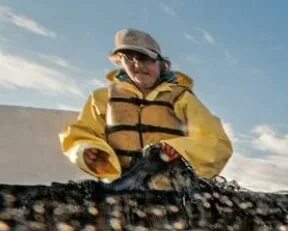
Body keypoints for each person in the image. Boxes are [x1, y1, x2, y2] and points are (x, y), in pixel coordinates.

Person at [60, 29, 232, 182]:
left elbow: (216, 143)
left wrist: (179, 150)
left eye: (145, 59)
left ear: (162, 63)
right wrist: (87, 150)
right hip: (119, 188)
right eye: (128, 59)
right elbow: (79, 135)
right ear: (120, 62)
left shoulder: (182, 98)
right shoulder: (101, 98)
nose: (137, 66)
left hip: (172, 190)